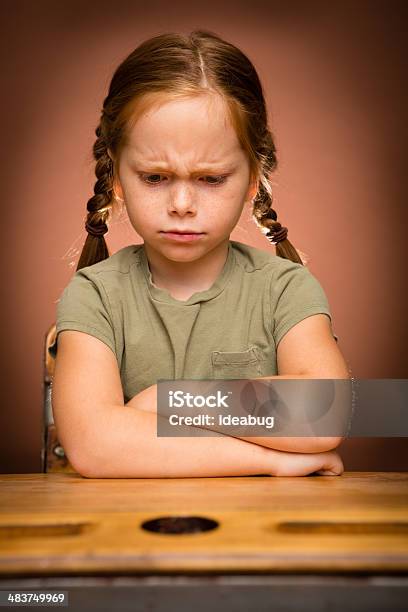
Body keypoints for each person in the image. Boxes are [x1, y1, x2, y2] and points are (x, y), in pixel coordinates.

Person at [48, 30, 349, 479]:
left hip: (260, 540)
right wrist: (272, 459)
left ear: (253, 179)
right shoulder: (94, 295)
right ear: (115, 176)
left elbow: (329, 412)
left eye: (211, 179)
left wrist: (170, 400)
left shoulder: (286, 288)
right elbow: (93, 447)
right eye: (154, 177)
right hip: (118, 537)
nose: (182, 204)